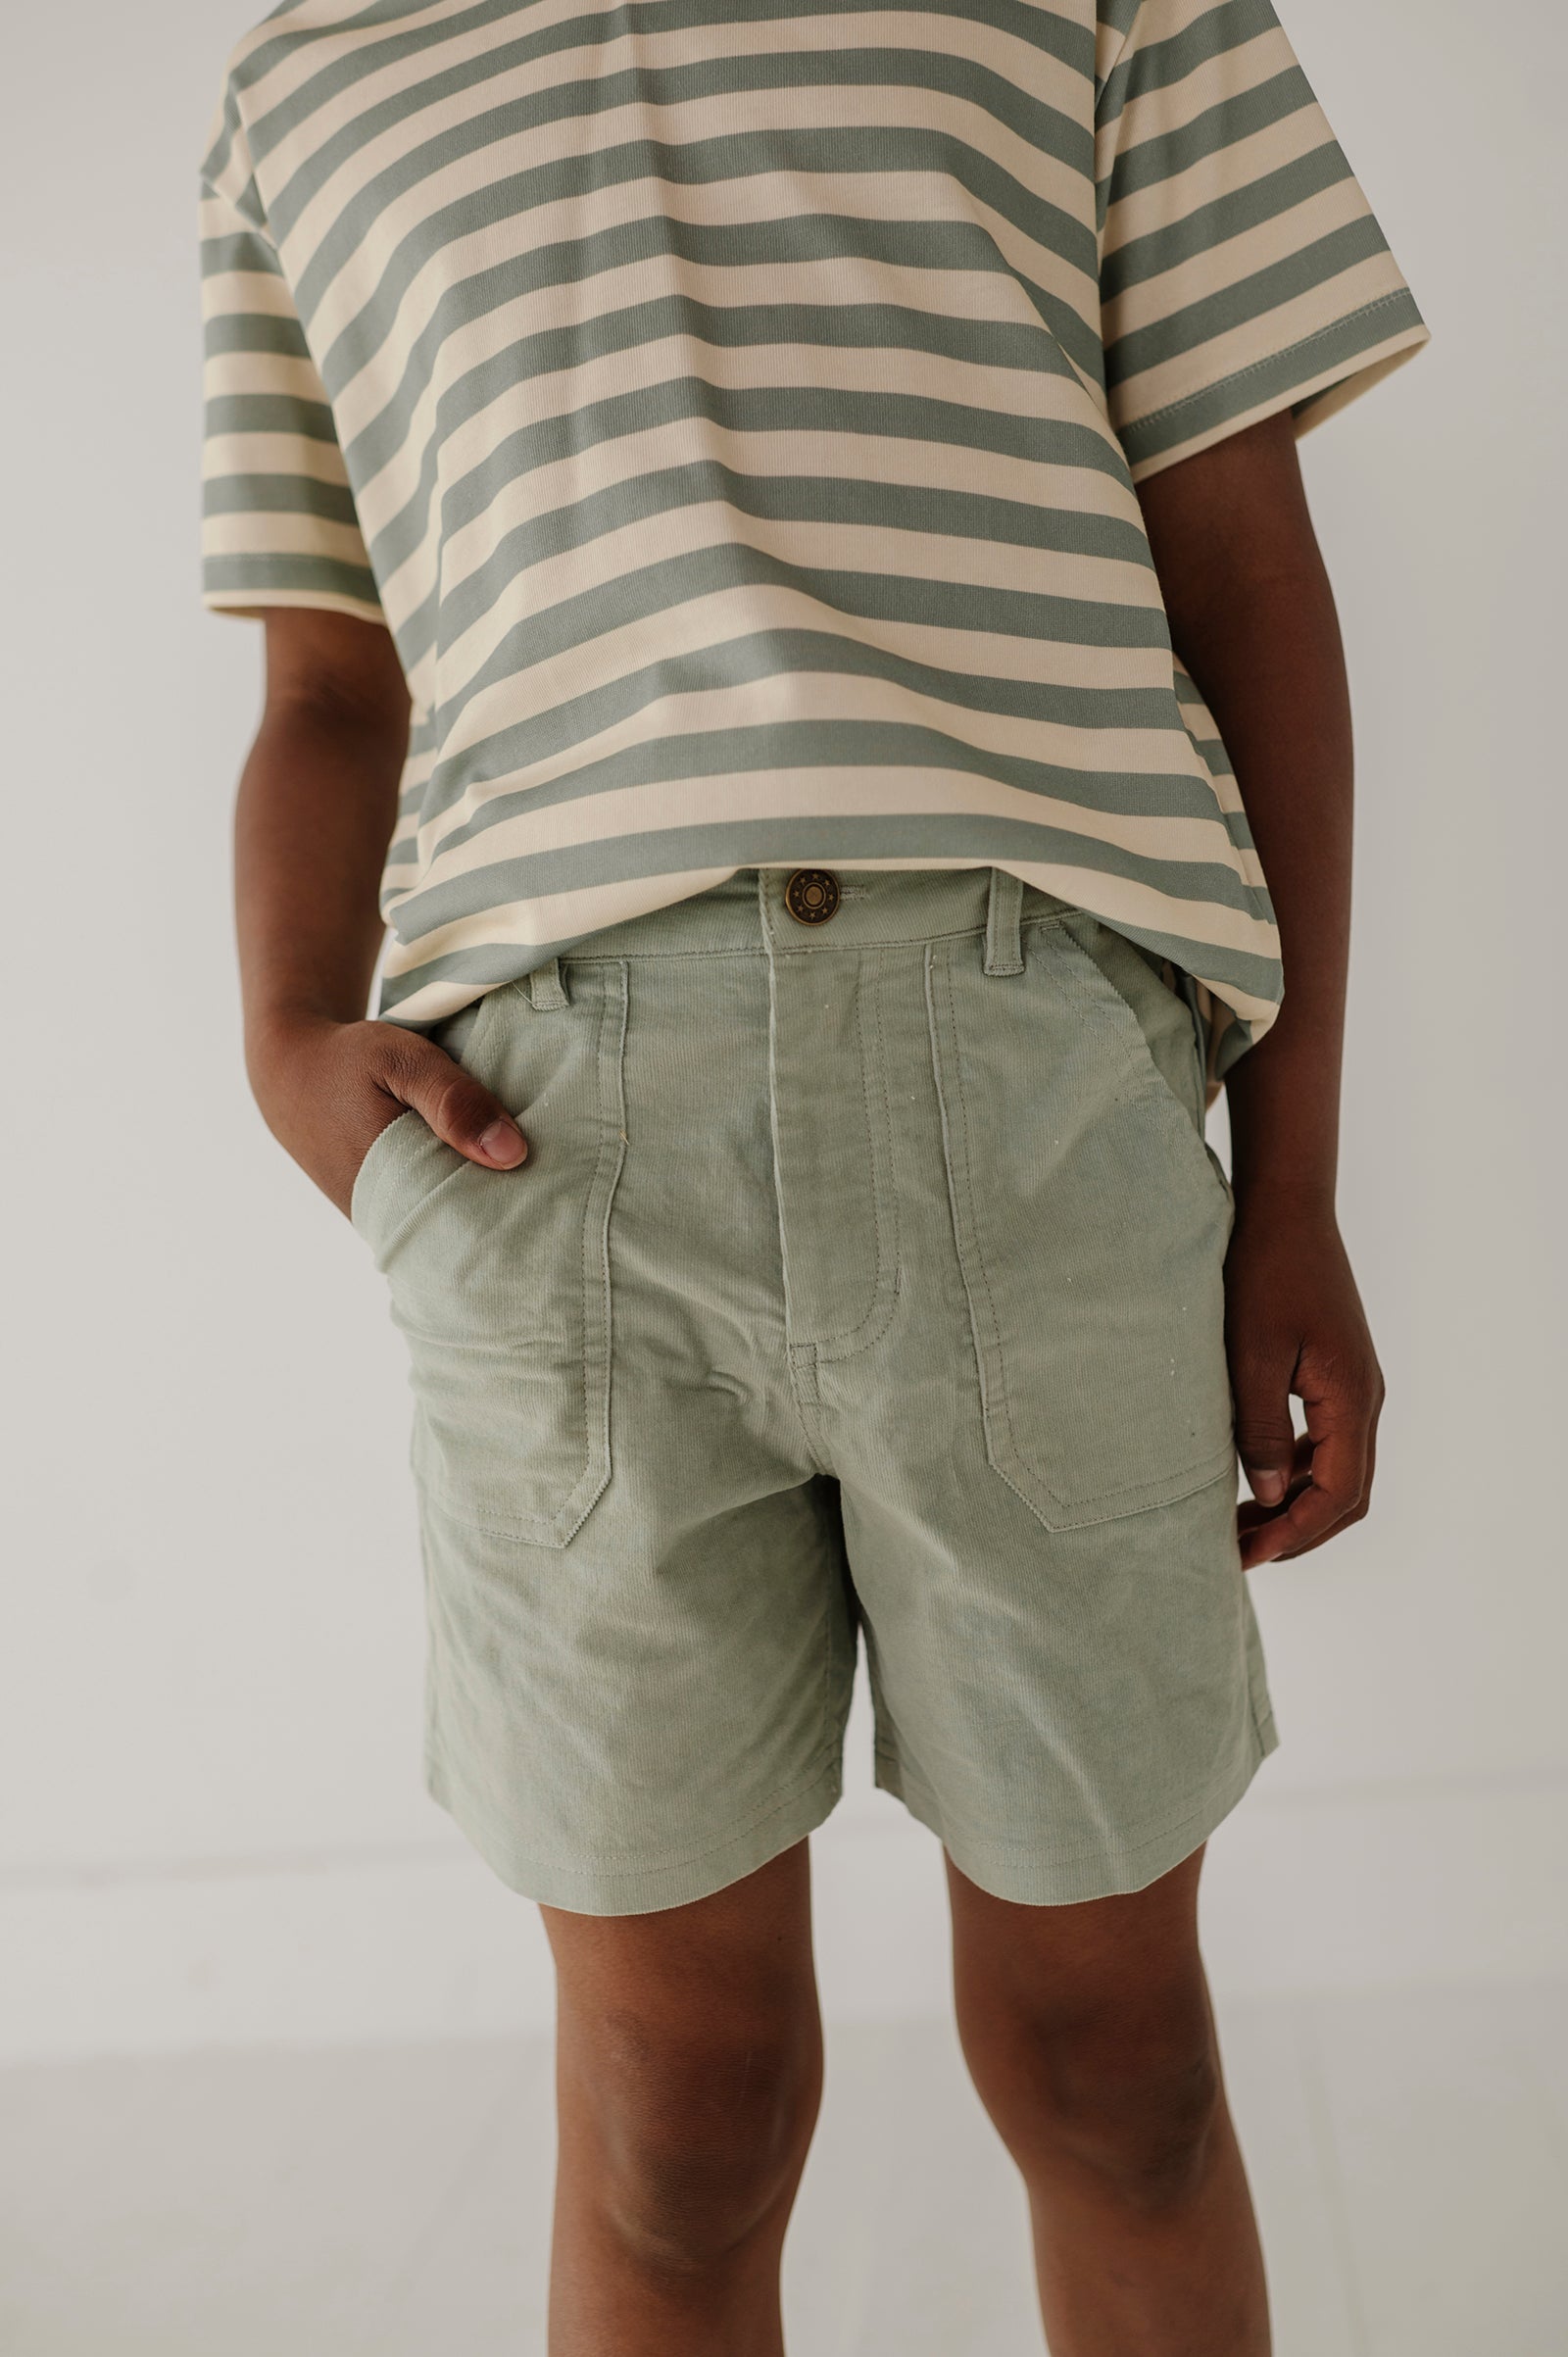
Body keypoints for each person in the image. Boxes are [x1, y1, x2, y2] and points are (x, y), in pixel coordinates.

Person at [200, 0, 1425, 2346]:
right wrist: (282, 1046)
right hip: (549, 1156)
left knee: (1120, 2072)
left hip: (1036, 1111)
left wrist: (1291, 1186)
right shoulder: (310, 74)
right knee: (676, 2116)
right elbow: (328, 684)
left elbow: (1245, 572)